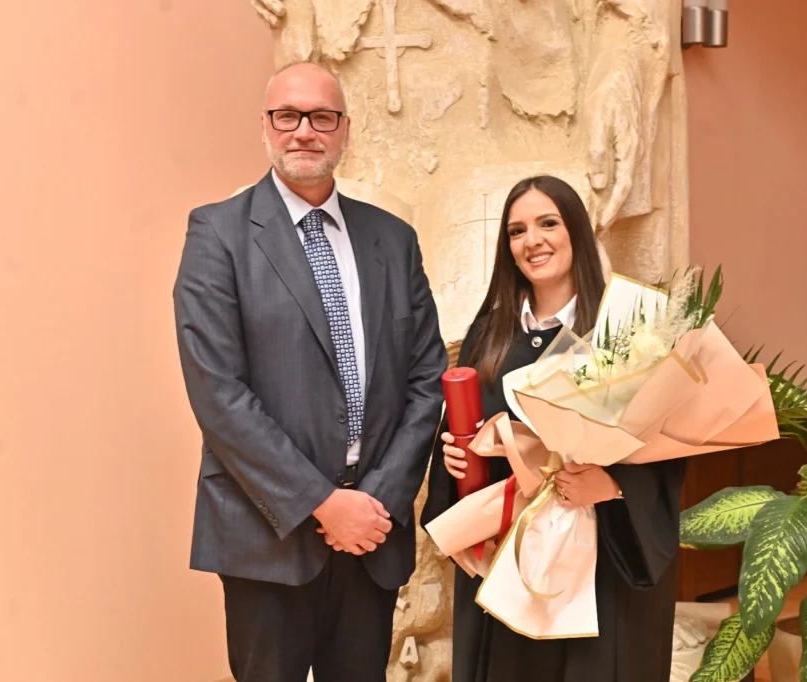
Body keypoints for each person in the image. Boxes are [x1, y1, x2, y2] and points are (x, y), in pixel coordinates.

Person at [173, 61, 447, 682]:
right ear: (265, 127)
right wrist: (322, 503)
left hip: (371, 534)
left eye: (322, 117)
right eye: (288, 116)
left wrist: (378, 500)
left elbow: (426, 376)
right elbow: (218, 393)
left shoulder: (393, 240)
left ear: (344, 130)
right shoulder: (218, 233)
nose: (304, 131)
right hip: (267, 535)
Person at [420, 175, 686, 682]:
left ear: (576, 232)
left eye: (548, 223)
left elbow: (666, 445)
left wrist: (613, 485)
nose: (532, 241)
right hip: (513, 555)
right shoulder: (490, 333)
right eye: (517, 231)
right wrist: (454, 460)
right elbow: (462, 434)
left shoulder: (624, 329)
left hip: (601, 561)